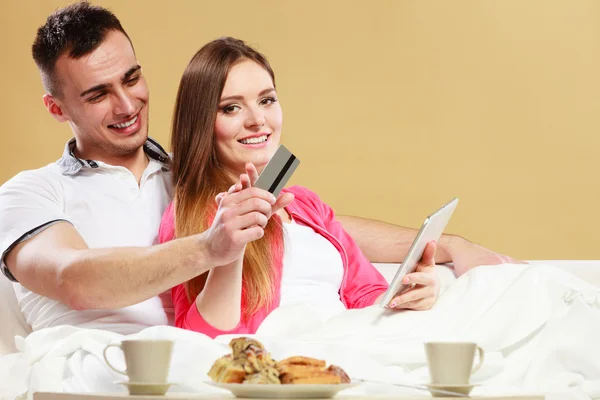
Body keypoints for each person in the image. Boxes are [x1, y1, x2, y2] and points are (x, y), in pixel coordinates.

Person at [0, 2, 518, 334]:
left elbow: (311, 223)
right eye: (96, 94)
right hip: (114, 370)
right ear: (58, 108)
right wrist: (211, 248)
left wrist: (442, 247)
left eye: (132, 78)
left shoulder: (199, 172)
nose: (127, 104)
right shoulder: (33, 193)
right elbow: (71, 280)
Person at [157, 37, 512, 338]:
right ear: (202, 123)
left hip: (354, 342)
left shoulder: (306, 205)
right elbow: (203, 341)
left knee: (520, 293)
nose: (258, 119)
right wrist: (229, 250)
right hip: (289, 361)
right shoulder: (192, 215)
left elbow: (369, 293)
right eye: (231, 108)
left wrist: (411, 294)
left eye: (266, 100)